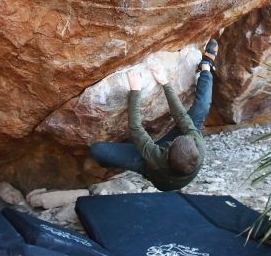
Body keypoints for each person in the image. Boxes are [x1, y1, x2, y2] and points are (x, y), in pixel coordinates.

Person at [89, 39, 218, 191]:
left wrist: (135, 90)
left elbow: (136, 128)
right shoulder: (197, 144)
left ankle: (119, 160)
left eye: (175, 139)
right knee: (201, 108)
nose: (176, 135)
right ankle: (206, 66)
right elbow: (181, 116)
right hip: (177, 160)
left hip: (154, 171)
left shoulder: (157, 158)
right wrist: (165, 83)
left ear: (167, 152)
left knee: (97, 150)